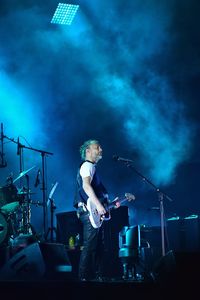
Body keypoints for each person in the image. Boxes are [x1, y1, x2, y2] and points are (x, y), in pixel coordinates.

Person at [73, 139, 120, 281]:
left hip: (91, 212)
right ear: (88, 151)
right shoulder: (88, 166)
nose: (100, 149)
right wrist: (99, 206)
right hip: (88, 212)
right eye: (97, 147)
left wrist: (110, 204)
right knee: (89, 246)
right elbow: (86, 187)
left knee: (99, 246)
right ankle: (82, 279)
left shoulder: (92, 168)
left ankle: (99, 277)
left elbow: (97, 195)